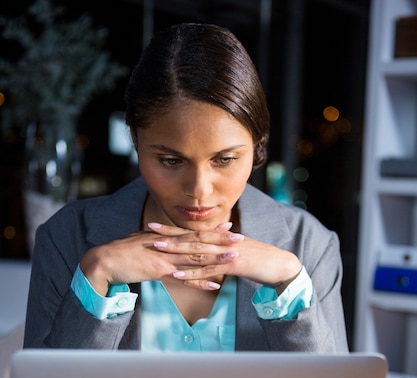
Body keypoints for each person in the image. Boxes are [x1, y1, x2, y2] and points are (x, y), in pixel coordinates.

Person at [23, 22, 349, 354]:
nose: (199, 190)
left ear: (257, 145)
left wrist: (289, 288)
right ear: (134, 140)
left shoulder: (310, 245)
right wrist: (96, 278)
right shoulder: (65, 237)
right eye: (170, 160)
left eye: (224, 160)